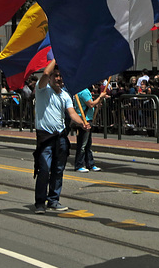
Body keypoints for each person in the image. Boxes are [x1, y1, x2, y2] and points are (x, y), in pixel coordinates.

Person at [34, 60, 88, 214]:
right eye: (56, 76)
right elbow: (44, 73)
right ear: (50, 78)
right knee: (44, 169)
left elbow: (72, 114)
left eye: (61, 76)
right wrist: (56, 57)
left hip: (61, 138)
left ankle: (53, 200)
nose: (59, 79)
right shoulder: (42, 89)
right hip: (45, 138)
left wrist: (82, 123)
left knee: (58, 170)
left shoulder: (65, 95)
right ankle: (39, 203)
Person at [73, 85, 107, 172]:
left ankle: (90, 164)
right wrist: (100, 97)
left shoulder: (82, 90)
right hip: (85, 119)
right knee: (83, 144)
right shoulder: (83, 91)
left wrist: (99, 101)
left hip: (87, 118)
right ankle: (79, 164)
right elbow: (91, 104)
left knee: (87, 144)